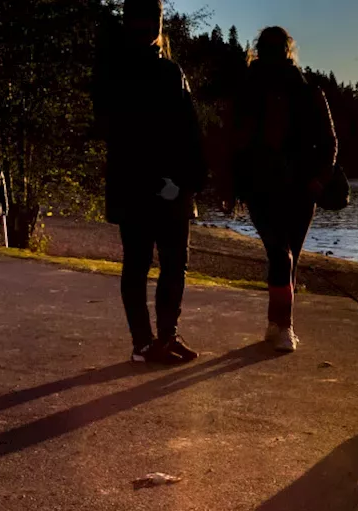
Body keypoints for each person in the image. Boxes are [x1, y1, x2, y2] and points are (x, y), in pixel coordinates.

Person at [93, 0, 207, 364]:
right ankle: (146, 342)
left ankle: (161, 338)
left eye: (152, 19)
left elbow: (189, 132)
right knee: (145, 263)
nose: (149, 26)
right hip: (147, 185)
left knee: (166, 263)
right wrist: (168, 179)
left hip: (159, 185)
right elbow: (122, 133)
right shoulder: (122, 72)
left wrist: (191, 179)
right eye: (144, 18)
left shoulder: (165, 70)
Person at [233, 26, 337, 353]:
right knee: (281, 254)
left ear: (287, 52)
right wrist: (232, 184)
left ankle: (277, 323)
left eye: (277, 48)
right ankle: (283, 327)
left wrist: (319, 179)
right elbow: (233, 142)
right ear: (259, 50)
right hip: (260, 187)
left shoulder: (308, 92)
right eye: (266, 47)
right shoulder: (247, 91)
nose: (272, 53)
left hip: (301, 189)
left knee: (287, 259)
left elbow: (330, 143)